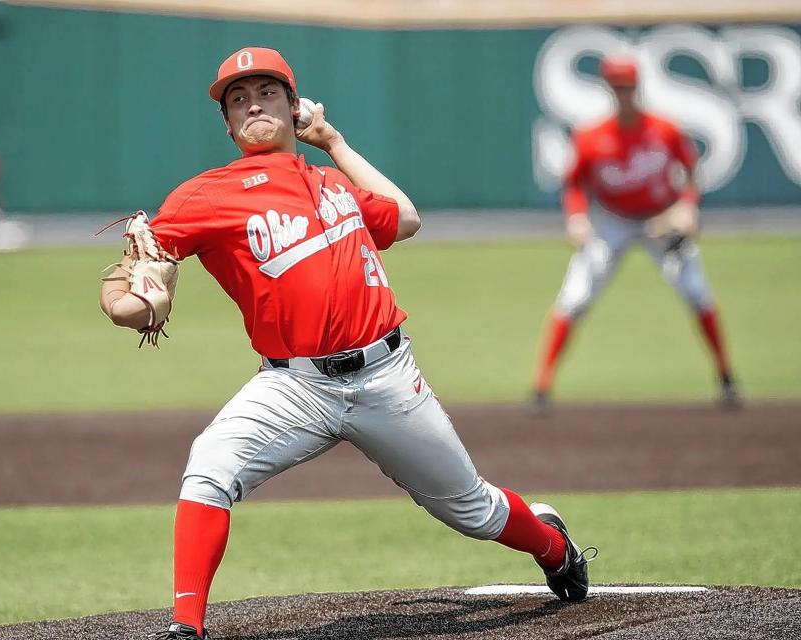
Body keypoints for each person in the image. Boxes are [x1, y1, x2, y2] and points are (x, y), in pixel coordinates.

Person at [100, 47, 596, 640]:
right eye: (238, 99)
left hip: (387, 376)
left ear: (293, 104)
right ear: (228, 125)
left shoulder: (332, 182)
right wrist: (129, 306)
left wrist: (333, 141)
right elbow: (126, 285)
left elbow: (406, 218)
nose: (252, 104)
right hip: (294, 384)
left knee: (471, 508)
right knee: (209, 467)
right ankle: (187, 626)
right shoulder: (205, 196)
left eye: (266, 92)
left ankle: (552, 546)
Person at [530, 55, 740, 414]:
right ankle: (541, 387)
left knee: (697, 293)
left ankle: (727, 379)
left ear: (636, 87)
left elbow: (690, 170)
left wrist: (688, 206)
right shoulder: (592, 136)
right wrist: (577, 217)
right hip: (611, 221)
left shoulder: (664, 129)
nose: (623, 92)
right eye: (617, 86)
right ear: (609, 89)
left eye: (627, 86)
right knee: (575, 297)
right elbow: (574, 183)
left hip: (662, 220)